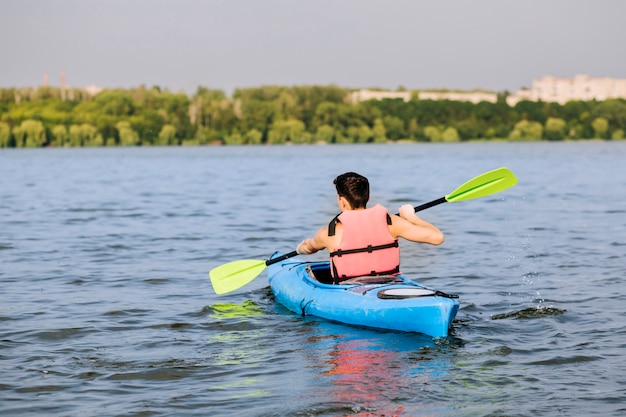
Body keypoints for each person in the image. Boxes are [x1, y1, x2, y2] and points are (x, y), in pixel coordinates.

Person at [296, 172, 444, 283]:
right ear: (368, 197)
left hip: (350, 292)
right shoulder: (391, 223)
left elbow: (310, 247)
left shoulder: (330, 233)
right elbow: (438, 238)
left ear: (342, 201)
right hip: (390, 284)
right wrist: (412, 217)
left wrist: (301, 248)